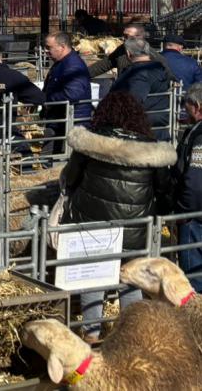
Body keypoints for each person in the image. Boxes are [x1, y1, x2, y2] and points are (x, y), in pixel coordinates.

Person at [59, 91, 175, 341]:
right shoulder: (150, 150)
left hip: (92, 225)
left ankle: (92, 336)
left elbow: (70, 178)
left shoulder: (90, 144)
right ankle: (130, 336)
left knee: (93, 279)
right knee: (129, 280)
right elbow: (163, 189)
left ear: (104, 114)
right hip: (135, 228)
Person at [110, 38, 176, 140]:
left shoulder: (139, 73)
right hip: (157, 125)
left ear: (128, 53)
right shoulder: (159, 68)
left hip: (141, 132)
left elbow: (133, 101)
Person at [41, 32, 93, 154]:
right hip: (58, 119)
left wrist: (46, 99)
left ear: (62, 47)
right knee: (49, 156)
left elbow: (73, 94)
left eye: (49, 47)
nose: (45, 51)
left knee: (61, 158)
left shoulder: (73, 65)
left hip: (71, 122)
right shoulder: (62, 62)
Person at [173, 84, 202, 293]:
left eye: (187, 105)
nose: (185, 110)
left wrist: (185, 211)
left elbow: (195, 177)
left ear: (197, 107)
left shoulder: (199, 136)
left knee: (194, 277)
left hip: (196, 216)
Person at [89, 23, 172, 79]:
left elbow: (168, 79)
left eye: (127, 36)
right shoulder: (121, 51)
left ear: (139, 37)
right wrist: (81, 74)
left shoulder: (154, 57)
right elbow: (102, 65)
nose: (123, 39)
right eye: (123, 36)